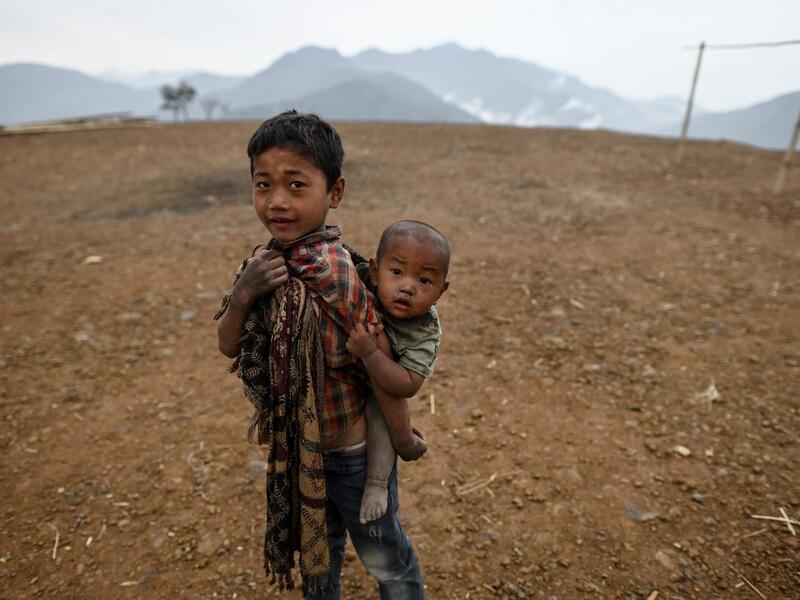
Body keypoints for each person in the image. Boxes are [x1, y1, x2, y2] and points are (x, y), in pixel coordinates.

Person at [215, 110, 425, 599]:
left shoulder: (341, 277)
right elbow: (228, 344)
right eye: (263, 185)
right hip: (299, 454)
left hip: (353, 457)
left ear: (334, 193)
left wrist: (402, 439)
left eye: (296, 185)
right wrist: (244, 294)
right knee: (318, 560)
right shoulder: (260, 266)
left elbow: (382, 373)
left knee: (383, 554)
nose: (277, 202)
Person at [345, 221, 450, 524]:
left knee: (382, 419)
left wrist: (370, 354)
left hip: (383, 383)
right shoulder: (358, 278)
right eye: (397, 272)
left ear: (441, 291)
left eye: (425, 281)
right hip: (341, 380)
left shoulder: (424, 332)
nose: (408, 286)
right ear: (375, 271)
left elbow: (406, 386)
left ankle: (377, 484)